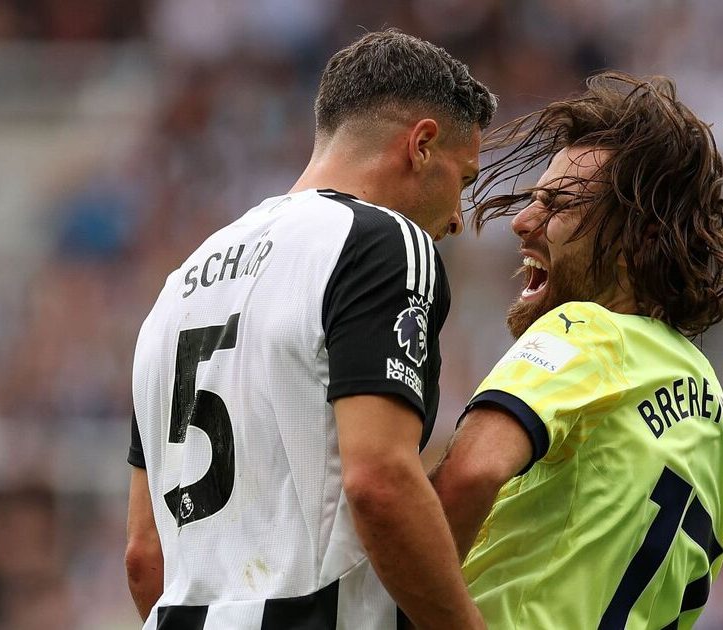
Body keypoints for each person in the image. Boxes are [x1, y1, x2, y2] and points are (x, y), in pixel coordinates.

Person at [124, 30, 495, 629]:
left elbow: (145, 556)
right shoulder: (383, 242)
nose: (457, 216)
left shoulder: (178, 286)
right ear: (422, 145)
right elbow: (378, 480)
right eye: (465, 179)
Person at [430, 70, 723, 629]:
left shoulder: (588, 331)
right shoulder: (711, 413)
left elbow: (470, 474)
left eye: (558, 205)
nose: (522, 222)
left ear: (636, 242)